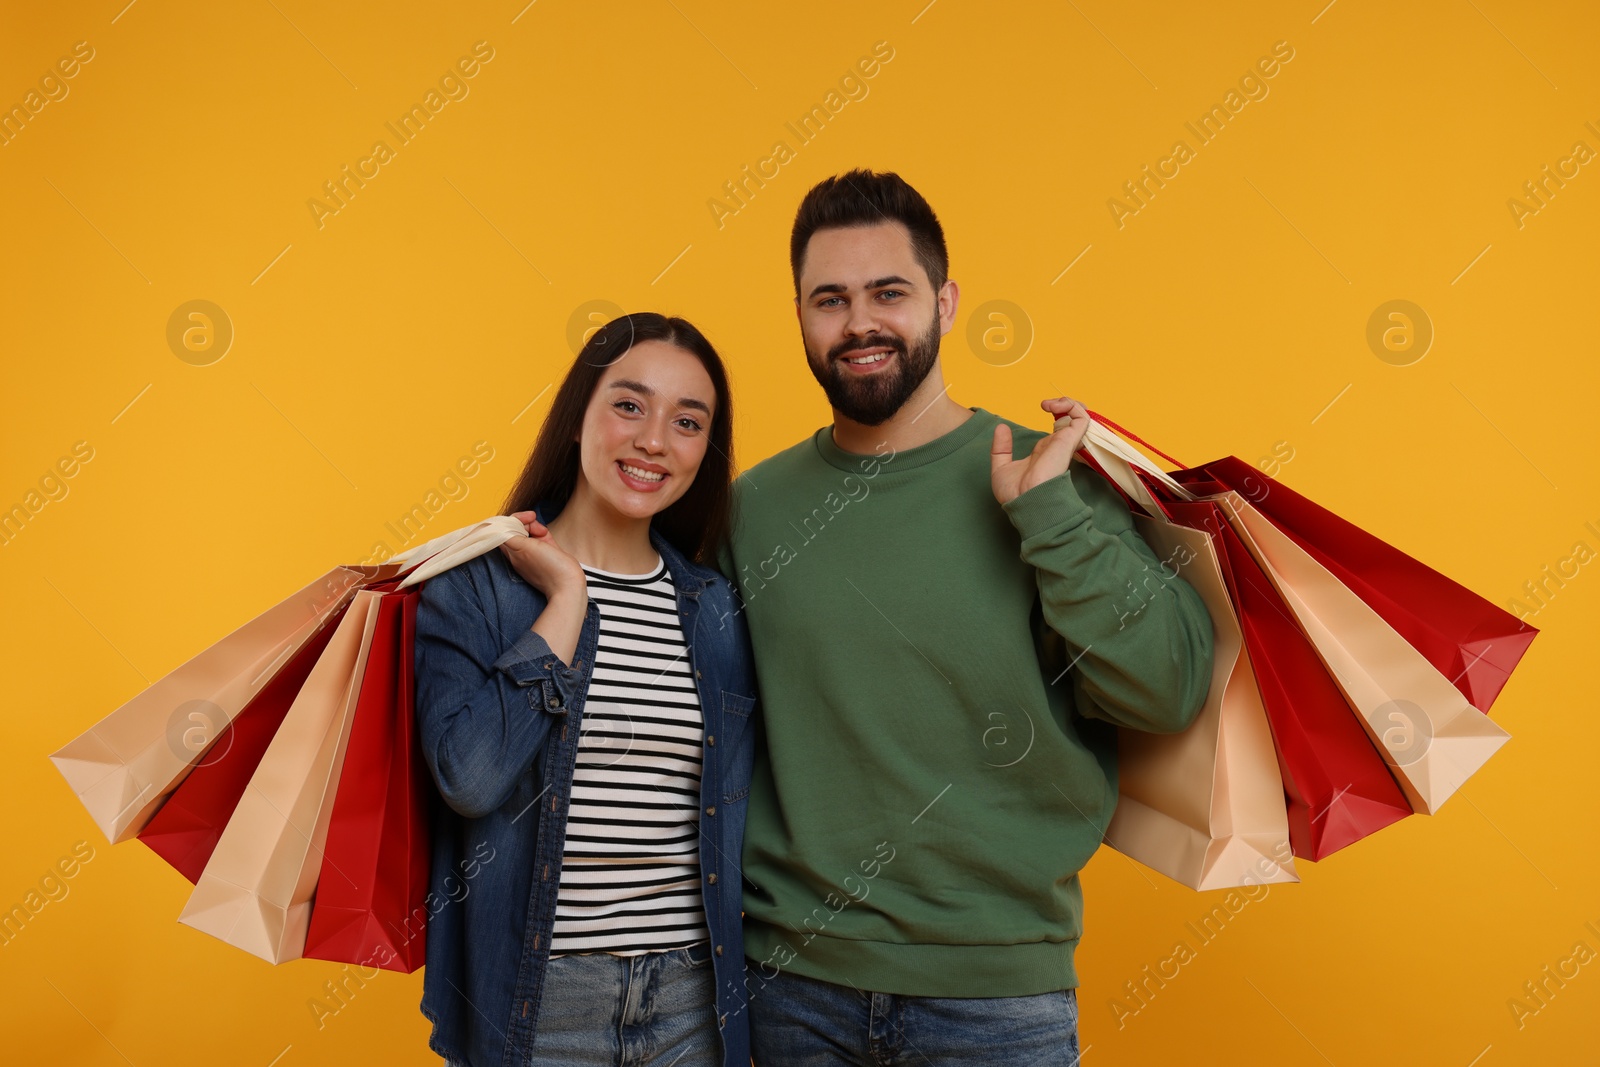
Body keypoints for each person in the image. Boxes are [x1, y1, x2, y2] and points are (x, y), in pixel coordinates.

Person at [719, 170, 1215, 1064]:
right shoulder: (751, 510)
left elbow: (1167, 688)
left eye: (889, 293)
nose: (859, 323)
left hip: (996, 999)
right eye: (829, 299)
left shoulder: (1046, 478)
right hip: (789, 989)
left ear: (945, 303)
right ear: (797, 315)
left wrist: (1052, 520)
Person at [412, 312, 758, 1067]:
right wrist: (566, 600)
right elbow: (468, 778)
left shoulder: (716, 613)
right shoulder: (475, 592)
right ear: (577, 419)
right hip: (540, 1000)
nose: (654, 440)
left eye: (688, 421)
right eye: (628, 405)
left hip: (692, 1004)